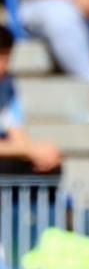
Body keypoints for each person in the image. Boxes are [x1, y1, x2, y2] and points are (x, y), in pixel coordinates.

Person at [0, 24, 63, 175]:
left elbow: (17, 135)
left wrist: (42, 154)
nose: (6, 66)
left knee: (46, 166)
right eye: (2, 58)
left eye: (8, 58)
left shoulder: (7, 88)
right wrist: (29, 149)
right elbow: (24, 147)